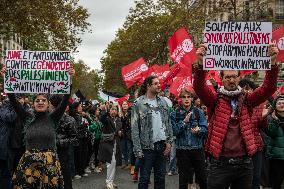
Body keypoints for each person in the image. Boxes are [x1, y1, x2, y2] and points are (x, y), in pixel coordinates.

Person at [193, 42, 279, 189]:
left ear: (239, 78)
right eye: (227, 77)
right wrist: (201, 63)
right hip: (220, 164)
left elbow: (268, 88)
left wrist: (272, 62)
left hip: (244, 164)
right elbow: (199, 87)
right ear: (222, 78)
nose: (231, 80)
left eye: (234, 77)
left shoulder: (248, 99)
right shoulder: (214, 100)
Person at [3, 66, 75, 189]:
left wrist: (70, 79)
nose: (40, 102)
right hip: (29, 165)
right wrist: (6, 78)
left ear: (48, 104)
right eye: (37, 100)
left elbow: (65, 99)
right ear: (33, 103)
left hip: (49, 164)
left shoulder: (53, 117)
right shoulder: (26, 116)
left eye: (43, 100)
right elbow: (13, 101)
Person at [131, 75, 173, 189]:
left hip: (162, 146)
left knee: (160, 178)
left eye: (159, 83)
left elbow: (167, 123)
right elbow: (134, 128)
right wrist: (138, 150)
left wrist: (169, 142)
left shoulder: (163, 102)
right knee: (144, 179)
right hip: (146, 148)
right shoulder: (138, 103)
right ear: (148, 86)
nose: (159, 85)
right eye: (155, 83)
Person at [170, 88, 208, 189]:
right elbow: (174, 132)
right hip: (182, 150)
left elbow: (205, 129)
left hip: (197, 149)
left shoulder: (198, 112)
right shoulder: (175, 114)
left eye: (189, 97)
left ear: (192, 99)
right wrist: (184, 122)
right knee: (183, 181)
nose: (186, 99)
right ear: (180, 99)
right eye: (184, 97)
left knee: (203, 179)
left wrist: (199, 130)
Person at [50, 95, 78, 189]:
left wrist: (58, 142)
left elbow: (74, 139)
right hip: (48, 154)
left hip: (63, 154)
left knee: (65, 179)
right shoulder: (47, 119)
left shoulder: (70, 120)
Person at [98, 104, 122, 189]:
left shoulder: (118, 120)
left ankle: (111, 181)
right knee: (111, 162)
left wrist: (120, 132)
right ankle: (108, 182)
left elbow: (119, 130)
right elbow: (102, 119)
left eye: (115, 109)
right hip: (107, 143)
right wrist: (104, 110)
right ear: (109, 110)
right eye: (112, 109)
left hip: (116, 143)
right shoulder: (107, 119)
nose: (114, 111)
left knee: (113, 163)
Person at [266, 95, 284, 189]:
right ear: (275, 106)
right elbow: (271, 133)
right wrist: (275, 122)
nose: (282, 104)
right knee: (276, 183)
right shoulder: (271, 118)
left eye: (283, 103)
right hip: (277, 157)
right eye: (279, 103)